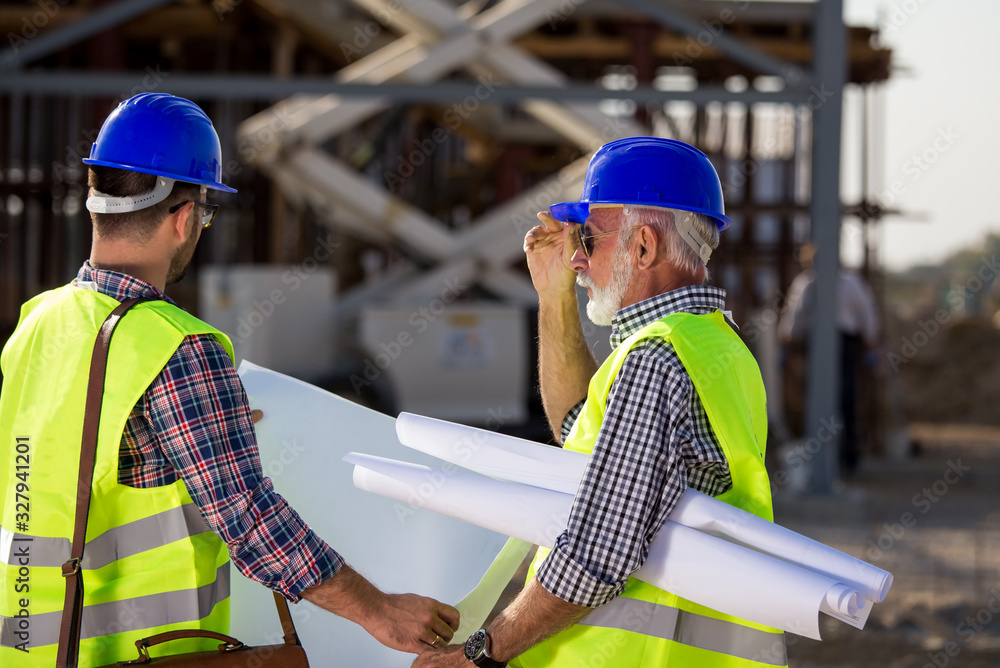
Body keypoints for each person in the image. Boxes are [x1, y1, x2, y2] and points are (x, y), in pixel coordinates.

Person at [0, 93, 458, 666]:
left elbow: (75, 463)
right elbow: (247, 515)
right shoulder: (176, 345)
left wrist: (190, 435)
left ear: (97, 198)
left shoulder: (38, 322)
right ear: (186, 216)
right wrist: (378, 610)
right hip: (137, 653)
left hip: (24, 647)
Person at [414, 137, 786, 667]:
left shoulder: (657, 360)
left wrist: (477, 655)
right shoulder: (713, 345)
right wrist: (553, 296)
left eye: (589, 238)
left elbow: (596, 552)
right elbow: (581, 434)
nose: (578, 258)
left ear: (642, 247)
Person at [778, 243, 881, 478]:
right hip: (815, 347)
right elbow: (794, 315)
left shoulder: (850, 283)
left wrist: (871, 342)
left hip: (845, 347)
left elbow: (866, 313)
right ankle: (819, 460)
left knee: (846, 401)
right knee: (816, 402)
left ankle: (849, 459)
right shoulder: (806, 284)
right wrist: (787, 341)